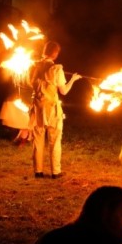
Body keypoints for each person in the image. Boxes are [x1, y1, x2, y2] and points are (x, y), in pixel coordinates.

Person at [29, 41, 81, 179]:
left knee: (38, 140)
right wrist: (73, 80)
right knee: (55, 140)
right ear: (55, 54)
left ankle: (38, 171)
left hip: (38, 108)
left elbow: (30, 83)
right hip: (51, 109)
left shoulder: (33, 66)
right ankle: (55, 172)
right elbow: (63, 91)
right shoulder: (57, 69)